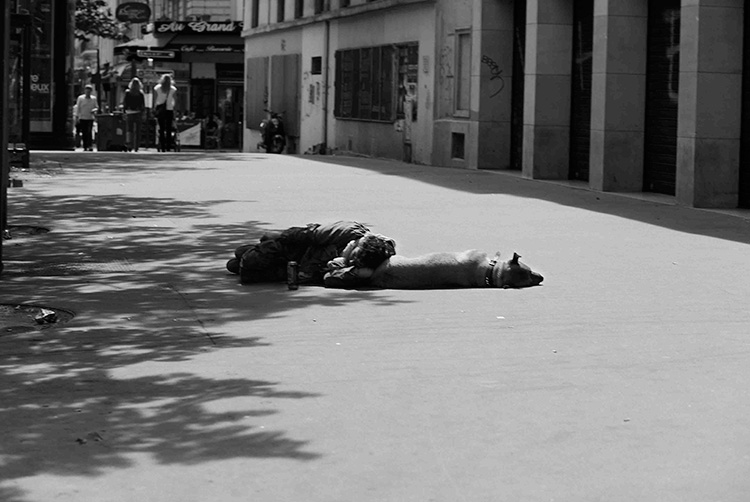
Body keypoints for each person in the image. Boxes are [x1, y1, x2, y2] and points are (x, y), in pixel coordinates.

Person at [226, 221, 395, 286]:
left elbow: (330, 280)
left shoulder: (354, 266)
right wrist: (280, 236)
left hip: (296, 269)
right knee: (247, 258)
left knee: (236, 268)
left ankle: (250, 258)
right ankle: (254, 251)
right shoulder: (349, 232)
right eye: (356, 244)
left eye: (355, 251)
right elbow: (309, 235)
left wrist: (355, 272)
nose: (352, 245)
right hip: (294, 248)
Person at [152, 74, 178, 152]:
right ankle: (168, 146)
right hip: (169, 109)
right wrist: (175, 109)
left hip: (160, 110)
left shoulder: (157, 88)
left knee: (161, 128)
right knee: (169, 128)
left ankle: (162, 146)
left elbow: (154, 99)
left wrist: (154, 108)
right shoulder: (173, 89)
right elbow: (175, 100)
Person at [122, 77, 145, 152]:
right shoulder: (140, 93)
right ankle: (136, 146)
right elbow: (142, 104)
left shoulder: (128, 92)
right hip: (138, 112)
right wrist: (142, 112)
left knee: (129, 130)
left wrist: (124, 111)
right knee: (137, 131)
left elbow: (125, 103)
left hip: (129, 112)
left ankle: (129, 144)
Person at [73, 84, 98, 151]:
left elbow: (96, 107)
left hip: (90, 117)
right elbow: (78, 107)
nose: (88, 92)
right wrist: (77, 116)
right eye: (87, 91)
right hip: (82, 117)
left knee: (89, 132)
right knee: (84, 132)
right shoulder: (80, 98)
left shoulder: (93, 99)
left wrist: (94, 110)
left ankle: (90, 145)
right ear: (85, 91)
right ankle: (85, 146)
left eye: (89, 91)